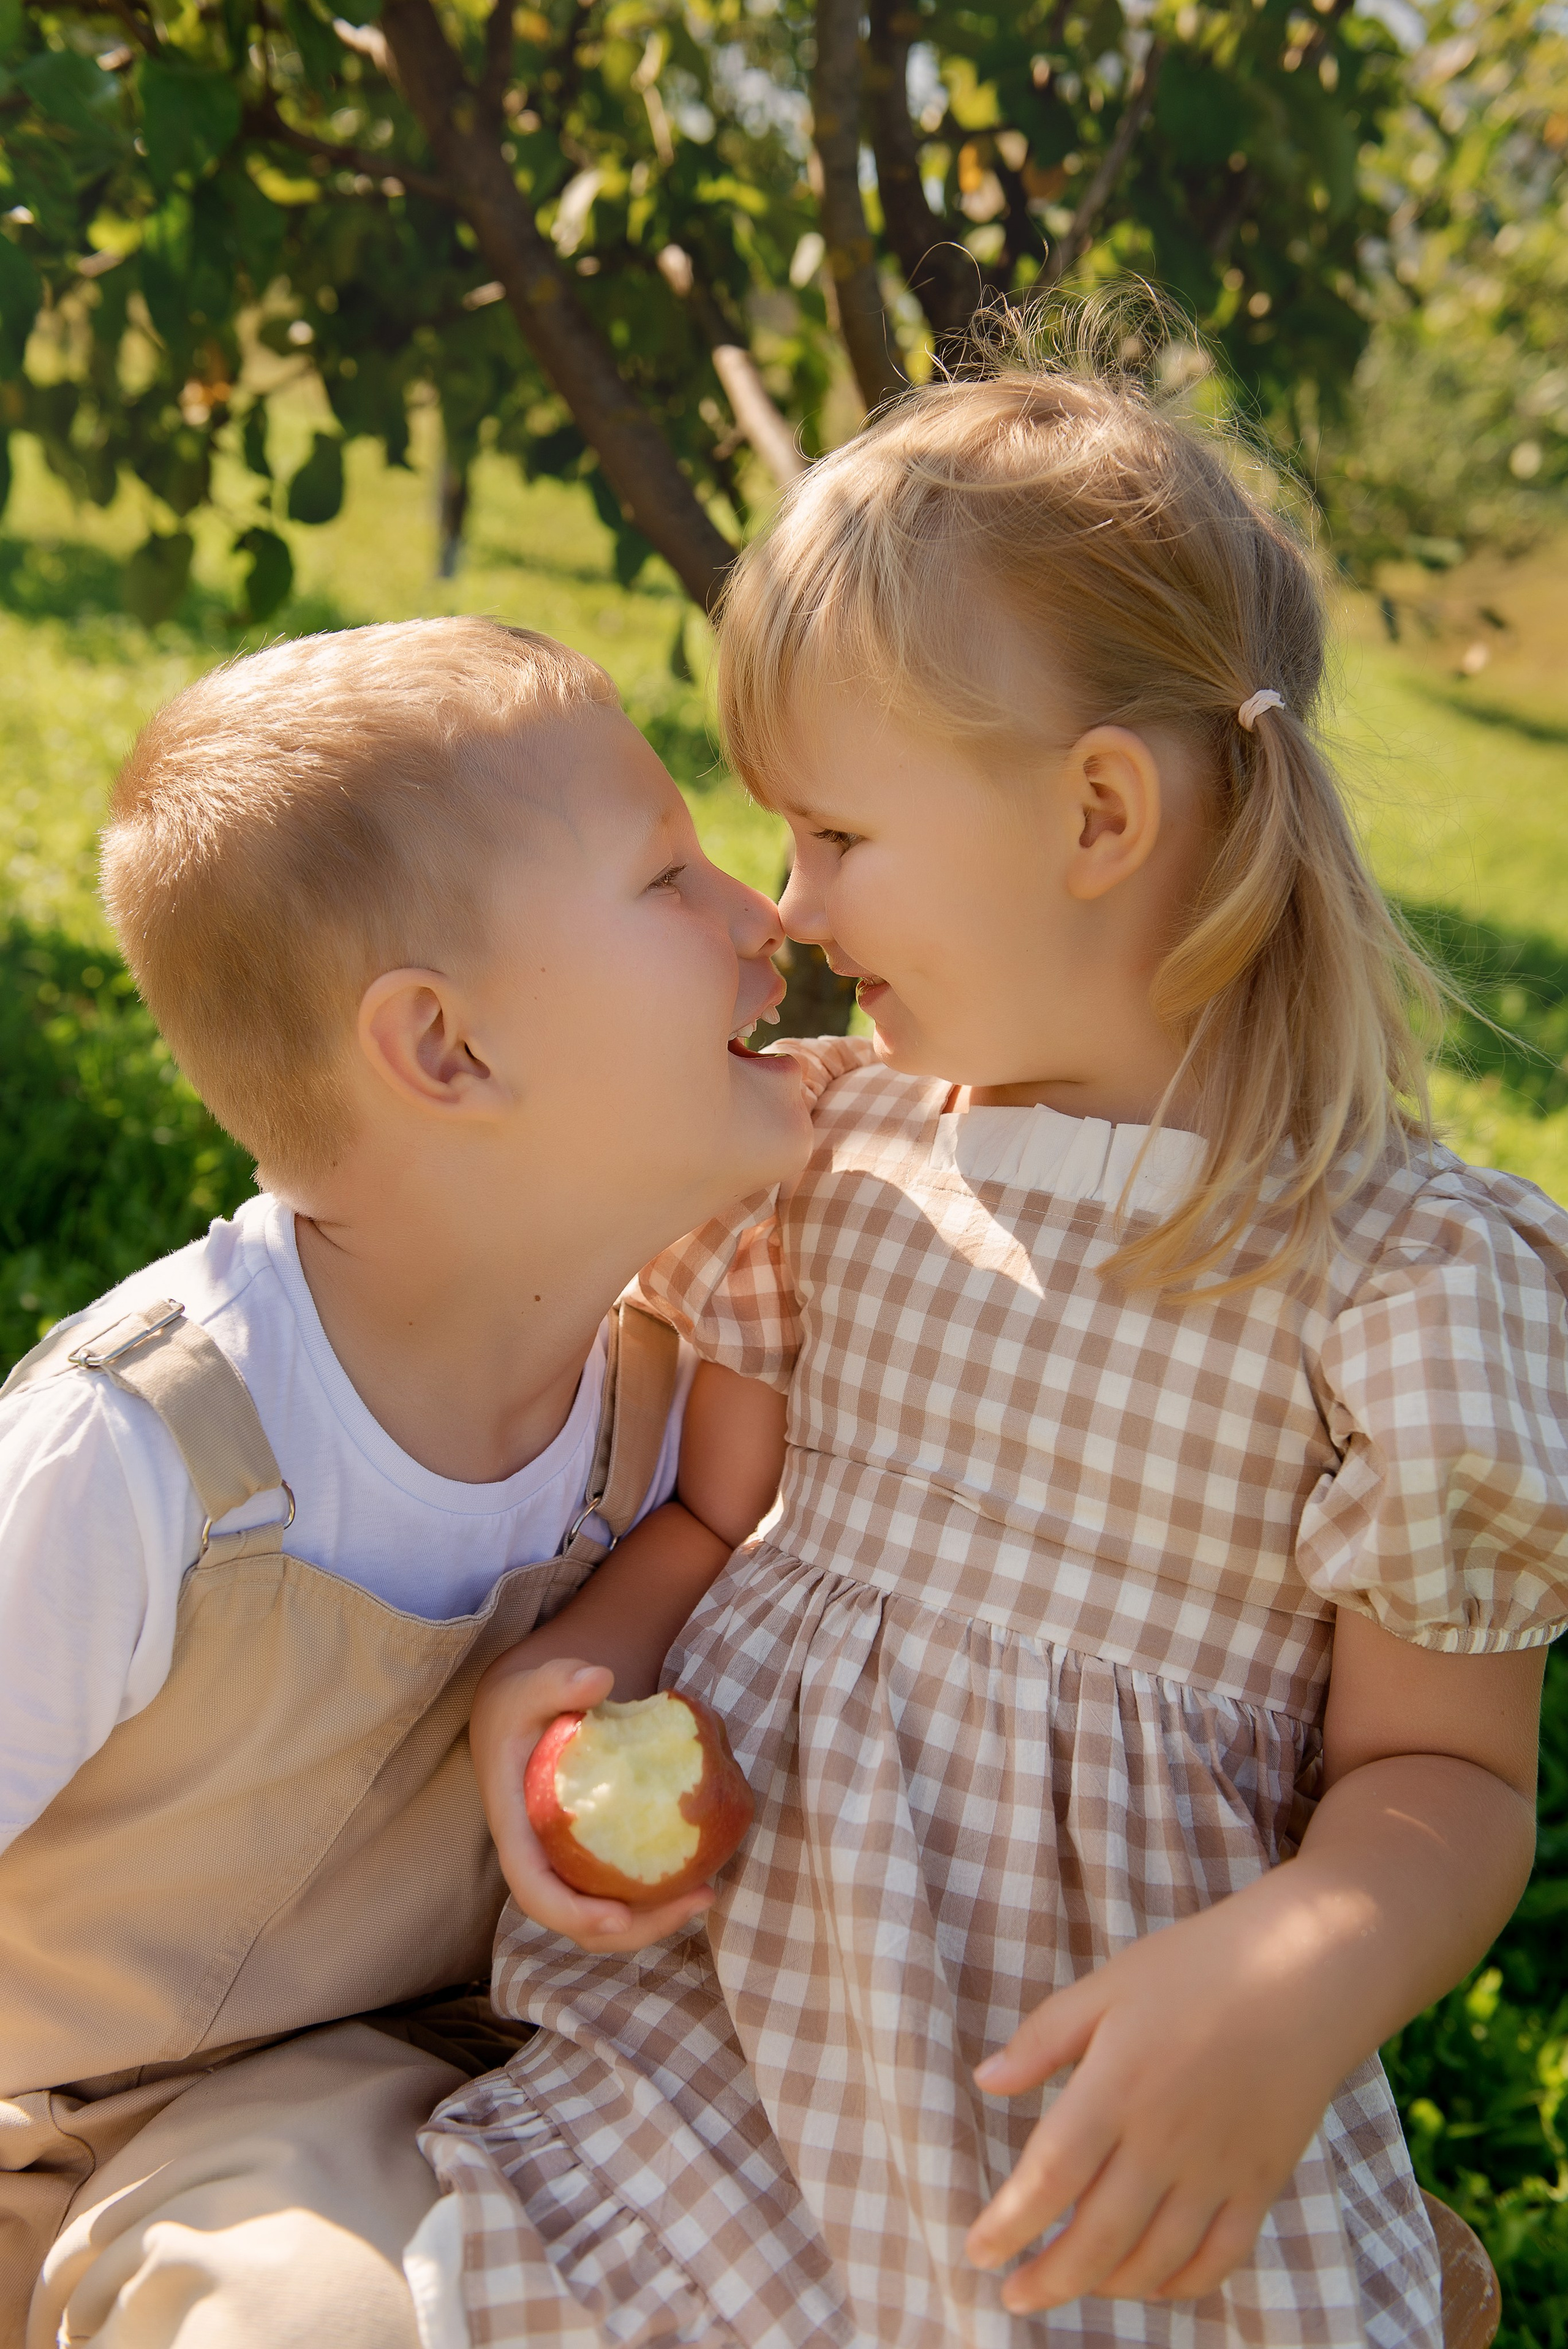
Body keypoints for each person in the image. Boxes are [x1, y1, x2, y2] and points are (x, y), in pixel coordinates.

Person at [418, 345, 1568, 2348]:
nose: (790, 900)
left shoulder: (1396, 1282)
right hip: (740, 2036)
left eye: (837, 834)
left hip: (1099, 2122)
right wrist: (577, 1666)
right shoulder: (827, 1151)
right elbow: (710, 1524)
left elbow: (1444, 1778)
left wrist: (1292, 1974)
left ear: (1100, 813)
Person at [0, 617, 811, 2349]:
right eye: (670, 874)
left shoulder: (669, 1412)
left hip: (462, 2080)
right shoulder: (148, 1453)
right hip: (91, 2134)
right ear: (446, 1051)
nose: (767, 917)